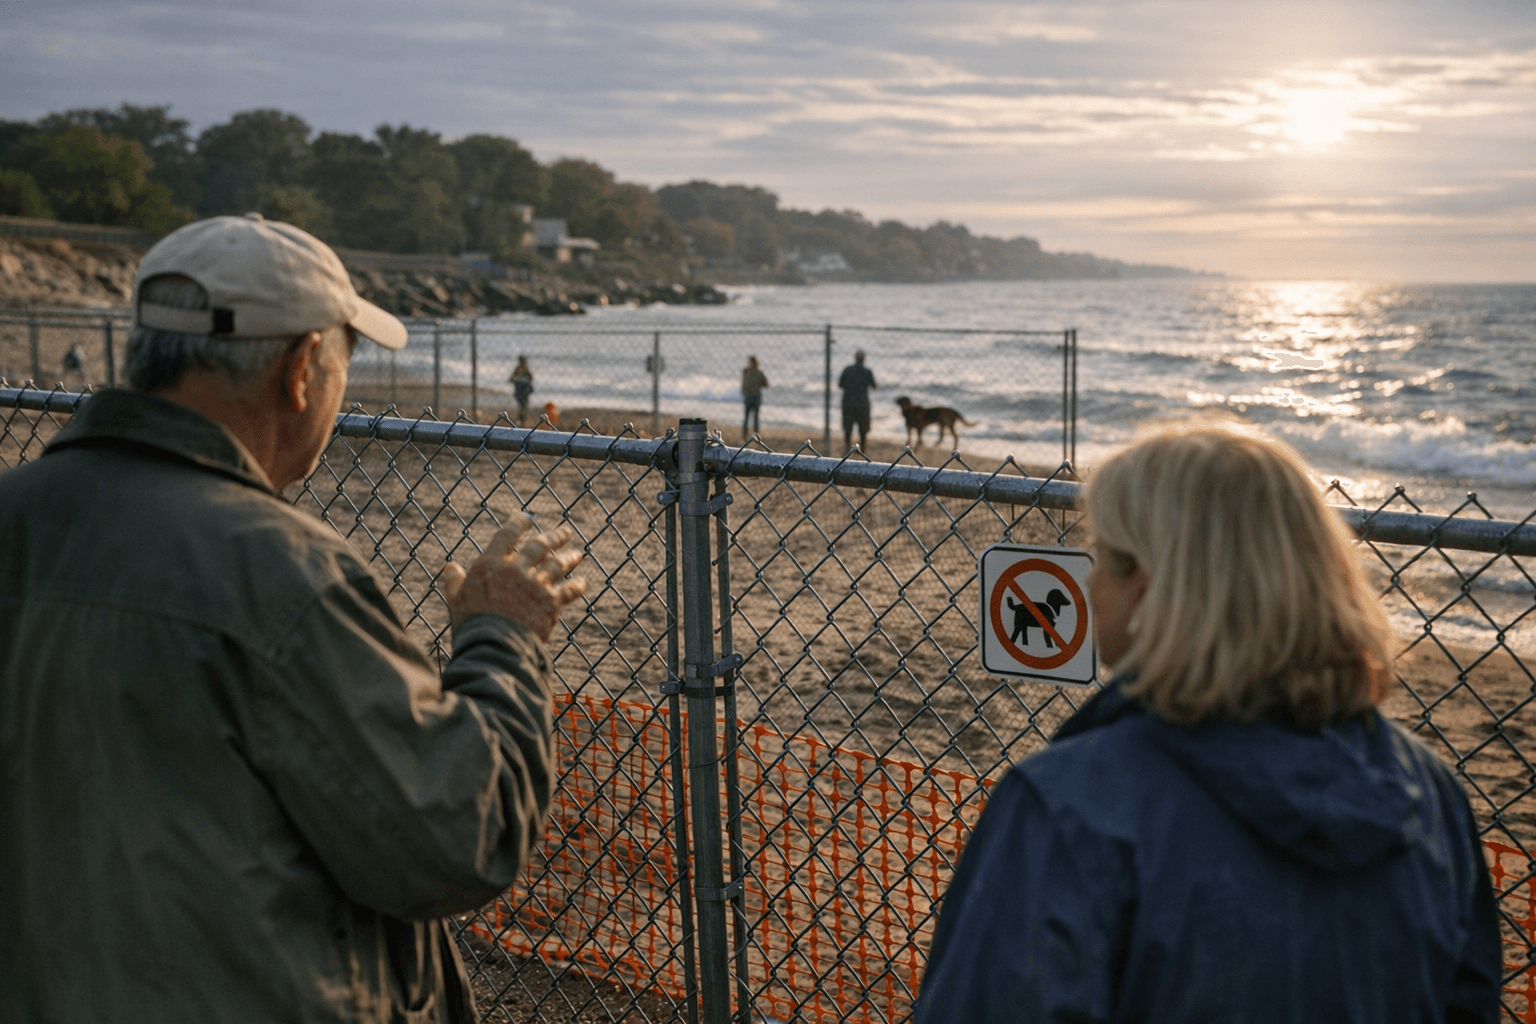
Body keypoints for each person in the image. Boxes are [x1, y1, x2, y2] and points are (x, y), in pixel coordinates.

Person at [0, 213, 588, 1023]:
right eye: (346, 360)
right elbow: (459, 834)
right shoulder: (280, 573)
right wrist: (502, 639)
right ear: (304, 368)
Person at [913, 422, 1499, 1023]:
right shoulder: (1430, 798)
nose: (1087, 582)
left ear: (1151, 585)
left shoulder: (1066, 811)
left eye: (1101, 556)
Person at [838, 348, 876, 451]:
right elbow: (874, 385)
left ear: (855, 358)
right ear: (864, 359)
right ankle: (862, 448)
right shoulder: (867, 371)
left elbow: (840, 384)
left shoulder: (847, 370)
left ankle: (847, 447)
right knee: (863, 429)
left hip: (848, 402)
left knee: (848, 428)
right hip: (862, 403)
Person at [741, 354, 769, 439]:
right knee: (755, 417)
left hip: (748, 395)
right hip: (756, 395)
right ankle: (756, 436)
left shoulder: (746, 371)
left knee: (746, 416)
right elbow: (766, 384)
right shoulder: (759, 372)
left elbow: (744, 384)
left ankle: (745, 436)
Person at [510, 354, 534, 424]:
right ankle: (522, 420)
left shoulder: (525, 370)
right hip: (520, 391)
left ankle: (522, 420)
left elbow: (531, 378)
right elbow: (511, 379)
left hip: (524, 391)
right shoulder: (519, 370)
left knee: (523, 406)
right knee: (523, 406)